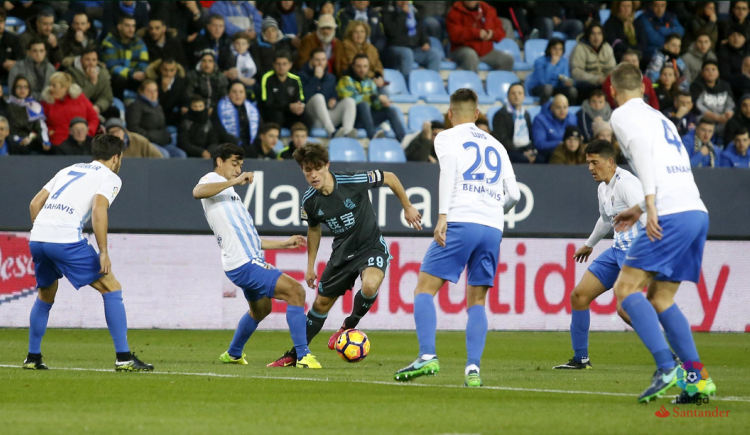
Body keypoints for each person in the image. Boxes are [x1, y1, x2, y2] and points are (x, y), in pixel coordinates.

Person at [393, 88, 518, 387]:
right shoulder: (497, 145)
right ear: (477, 114)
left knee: (424, 288)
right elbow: (513, 194)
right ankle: (473, 369)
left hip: (461, 219)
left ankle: (427, 356)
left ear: (450, 114)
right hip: (492, 226)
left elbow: (447, 172)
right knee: (477, 300)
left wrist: (443, 216)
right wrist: (491, 209)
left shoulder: (446, 137)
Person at [609, 61, 715, 403]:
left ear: (613, 91)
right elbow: (676, 162)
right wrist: (640, 207)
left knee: (625, 291)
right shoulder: (660, 117)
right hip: (695, 211)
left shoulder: (622, 115)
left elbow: (639, 152)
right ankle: (697, 380)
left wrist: (650, 205)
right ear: (643, 88)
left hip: (668, 212)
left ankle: (666, 367)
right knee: (660, 298)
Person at [268, 142, 422, 368]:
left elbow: (389, 177)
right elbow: (314, 229)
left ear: (327, 165)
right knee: (320, 305)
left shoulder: (352, 181)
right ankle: (295, 354)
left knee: (370, 286)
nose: (313, 175)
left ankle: (349, 324)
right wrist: (310, 265)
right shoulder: (309, 201)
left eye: (317, 168)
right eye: (307, 170)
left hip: (371, 247)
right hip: (342, 254)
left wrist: (407, 206)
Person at [23, 134, 154, 372]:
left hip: (38, 237)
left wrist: (44, 233)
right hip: (64, 239)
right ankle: (124, 357)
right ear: (116, 157)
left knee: (45, 295)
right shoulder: (110, 177)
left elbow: (34, 204)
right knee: (111, 287)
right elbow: (98, 209)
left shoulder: (68, 169)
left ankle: (33, 357)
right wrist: (103, 251)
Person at [192, 143, 321, 369]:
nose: (237, 169)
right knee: (296, 291)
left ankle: (233, 354)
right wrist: (234, 181)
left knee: (261, 309)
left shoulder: (230, 196)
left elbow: (251, 240)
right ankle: (303, 355)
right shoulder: (210, 180)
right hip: (244, 264)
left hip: (246, 260)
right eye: (234, 164)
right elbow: (197, 192)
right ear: (220, 162)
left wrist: (284, 243)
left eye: (240, 166)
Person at [552, 139, 646, 369]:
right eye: (588, 163)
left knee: (624, 309)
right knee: (579, 295)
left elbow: (647, 214)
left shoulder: (627, 183)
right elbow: (606, 220)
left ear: (610, 162)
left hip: (636, 252)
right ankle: (580, 359)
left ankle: (669, 355)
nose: (591, 168)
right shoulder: (603, 188)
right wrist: (590, 244)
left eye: (595, 162)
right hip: (617, 251)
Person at [337, 54, 406, 141]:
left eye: (365, 66)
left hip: (367, 119)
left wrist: (382, 104)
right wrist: (375, 97)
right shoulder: (345, 80)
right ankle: (372, 135)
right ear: (353, 66)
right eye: (359, 66)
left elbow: (375, 105)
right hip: (352, 120)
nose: (362, 70)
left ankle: (403, 140)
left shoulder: (369, 82)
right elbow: (351, 100)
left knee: (391, 110)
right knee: (363, 104)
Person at [301, 48, 357, 138]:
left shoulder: (331, 78)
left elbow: (333, 95)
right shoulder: (302, 75)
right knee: (318, 97)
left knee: (350, 101)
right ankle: (332, 132)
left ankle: (347, 133)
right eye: (317, 60)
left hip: (327, 116)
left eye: (323, 60)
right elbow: (303, 97)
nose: (320, 63)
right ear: (310, 61)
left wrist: (333, 101)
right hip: (312, 117)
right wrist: (315, 79)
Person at [446, 1, 513, 73]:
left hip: (485, 52)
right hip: (461, 49)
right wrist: (477, 33)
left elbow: (500, 31)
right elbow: (454, 34)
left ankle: (496, 82)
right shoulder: (454, 11)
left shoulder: (488, 10)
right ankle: (473, 83)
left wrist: (492, 34)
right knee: (471, 55)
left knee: (507, 59)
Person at [382, 1, 441, 79]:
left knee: (434, 54)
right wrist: (403, 14)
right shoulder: (389, 10)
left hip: (414, 49)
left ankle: (430, 84)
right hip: (395, 48)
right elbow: (393, 33)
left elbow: (422, 30)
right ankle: (406, 85)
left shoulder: (414, 11)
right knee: (407, 53)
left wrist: (426, 42)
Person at [40, 72, 99, 148]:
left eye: (54, 86)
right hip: (57, 145)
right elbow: (40, 123)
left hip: (81, 142)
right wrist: (50, 132)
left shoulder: (80, 98)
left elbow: (93, 118)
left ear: (65, 88)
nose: (50, 88)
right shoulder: (46, 102)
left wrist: (87, 132)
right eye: (50, 85)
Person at [258, 51, 312, 130]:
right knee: (277, 115)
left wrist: (298, 107)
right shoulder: (267, 78)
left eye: (284, 64)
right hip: (272, 114)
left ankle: (303, 141)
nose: (281, 67)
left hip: (289, 114)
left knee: (306, 117)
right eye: (278, 64)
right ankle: (276, 140)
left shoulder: (296, 79)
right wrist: (288, 107)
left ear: (290, 65)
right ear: (274, 65)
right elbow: (267, 104)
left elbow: (299, 100)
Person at [101, 15, 149, 100]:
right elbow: (112, 66)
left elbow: (144, 61)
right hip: (116, 78)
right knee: (120, 79)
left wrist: (141, 72)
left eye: (133, 26)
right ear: (119, 27)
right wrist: (131, 73)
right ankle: (118, 104)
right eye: (127, 25)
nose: (131, 29)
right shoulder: (109, 42)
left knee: (150, 79)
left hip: (134, 75)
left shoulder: (139, 42)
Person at [492, 83, 543, 164]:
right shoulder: (500, 115)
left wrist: (530, 150)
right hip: (509, 151)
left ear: (524, 96)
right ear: (508, 96)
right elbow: (502, 140)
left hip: (524, 149)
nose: (516, 96)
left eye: (520, 93)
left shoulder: (526, 114)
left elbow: (530, 136)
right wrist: (522, 152)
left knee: (540, 158)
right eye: (513, 93)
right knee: (523, 159)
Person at [126, 79, 177, 153]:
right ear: (141, 92)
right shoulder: (136, 106)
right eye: (149, 91)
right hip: (145, 143)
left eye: (155, 91)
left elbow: (162, 126)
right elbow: (133, 128)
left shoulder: (158, 106)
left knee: (180, 154)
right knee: (164, 154)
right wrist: (151, 137)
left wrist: (165, 137)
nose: (153, 94)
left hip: (159, 141)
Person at [570, 23, 617, 101]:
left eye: (599, 34)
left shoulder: (607, 48)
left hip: (604, 82)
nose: (596, 37)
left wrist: (608, 79)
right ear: (588, 35)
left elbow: (612, 69)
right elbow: (576, 73)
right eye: (593, 34)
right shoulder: (579, 48)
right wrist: (596, 79)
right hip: (587, 84)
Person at [690, 60, 735, 140]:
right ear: (702, 73)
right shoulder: (696, 86)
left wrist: (728, 112)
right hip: (705, 118)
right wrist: (716, 117)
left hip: (723, 119)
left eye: (713, 69)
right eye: (707, 70)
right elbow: (697, 106)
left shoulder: (725, 85)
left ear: (718, 73)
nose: (710, 72)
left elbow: (730, 103)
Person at [525, 37, 577, 105]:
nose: (557, 52)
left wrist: (566, 82)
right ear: (549, 49)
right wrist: (552, 64)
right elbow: (543, 81)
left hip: (555, 88)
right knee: (548, 88)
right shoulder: (539, 61)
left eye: (560, 49)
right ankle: (544, 111)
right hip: (539, 88)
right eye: (555, 49)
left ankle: (567, 112)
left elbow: (564, 77)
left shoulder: (564, 62)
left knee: (572, 91)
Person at [6, 75, 50, 154]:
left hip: (31, 141)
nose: (22, 90)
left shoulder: (35, 106)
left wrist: (30, 138)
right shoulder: (7, 106)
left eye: (25, 87)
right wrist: (18, 139)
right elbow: (8, 129)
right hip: (12, 141)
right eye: (19, 87)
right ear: (14, 89)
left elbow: (38, 129)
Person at [66, 47, 114, 117]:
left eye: (94, 60)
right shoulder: (70, 74)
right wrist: (92, 82)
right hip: (77, 107)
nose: (91, 63)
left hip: (96, 106)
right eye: (87, 59)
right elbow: (76, 99)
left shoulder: (103, 74)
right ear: (81, 60)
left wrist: (98, 107)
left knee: (114, 111)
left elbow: (107, 97)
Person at [213, 80, 260, 149]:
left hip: (249, 146)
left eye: (241, 92)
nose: (238, 95)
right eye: (234, 92)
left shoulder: (252, 109)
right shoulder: (220, 107)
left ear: (245, 94)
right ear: (228, 94)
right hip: (227, 146)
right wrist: (238, 143)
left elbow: (259, 128)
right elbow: (219, 130)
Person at [145, 57, 189, 127]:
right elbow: (156, 105)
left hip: (175, 116)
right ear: (160, 69)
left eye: (171, 70)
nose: (168, 74)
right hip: (157, 116)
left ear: (176, 70)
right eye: (165, 70)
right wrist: (163, 90)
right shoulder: (154, 83)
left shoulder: (181, 82)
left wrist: (184, 106)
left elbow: (184, 99)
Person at [532, 94, 577, 160]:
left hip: (568, 150)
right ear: (552, 107)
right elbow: (539, 144)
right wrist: (560, 143)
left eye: (565, 107)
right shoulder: (540, 119)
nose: (562, 111)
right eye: (558, 107)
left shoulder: (572, 118)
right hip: (548, 153)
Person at [0, 8, 23, 87]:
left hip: (8, 75)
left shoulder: (13, 39)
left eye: (1, 22)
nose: (0, 25)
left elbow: (22, 58)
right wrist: (3, 63)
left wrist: (15, 63)